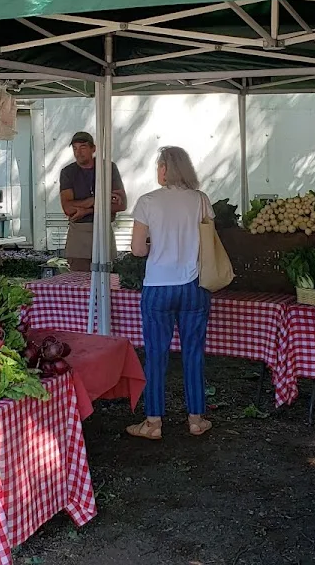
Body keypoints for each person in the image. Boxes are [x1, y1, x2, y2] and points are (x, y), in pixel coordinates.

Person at [127, 146, 214, 440]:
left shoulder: (147, 202)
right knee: (193, 353)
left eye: (158, 166)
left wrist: (156, 246)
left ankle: (153, 422)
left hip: (158, 287)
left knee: (155, 354)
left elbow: (138, 250)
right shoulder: (201, 201)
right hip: (193, 286)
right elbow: (208, 244)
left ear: (165, 169)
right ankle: (196, 419)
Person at [59, 131, 127, 273]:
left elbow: (121, 204)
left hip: (103, 229)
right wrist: (96, 200)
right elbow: (68, 208)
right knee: (79, 281)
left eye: (83, 147)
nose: (78, 152)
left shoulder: (108, 168)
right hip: (79, 233)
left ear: (93, 149)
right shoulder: (68, 172)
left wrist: (86, 210)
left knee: (106, 279)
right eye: (75, 148)